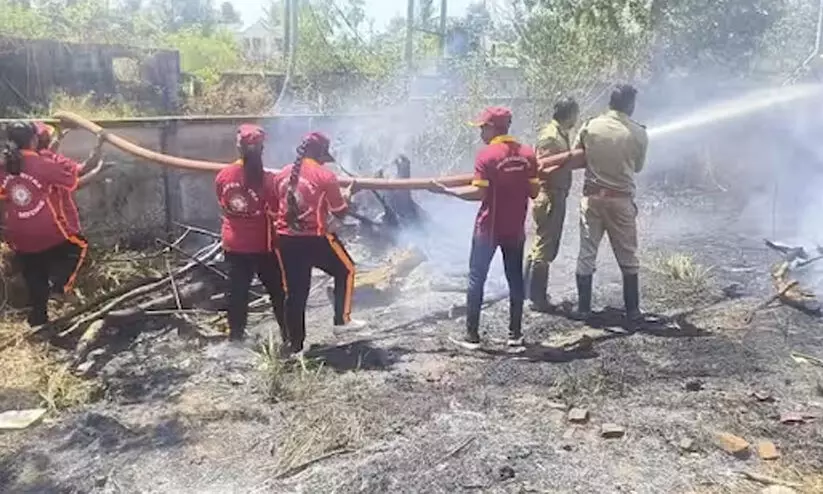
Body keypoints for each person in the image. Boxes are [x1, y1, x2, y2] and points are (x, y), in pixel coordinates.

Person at [433, 107, 539, 349]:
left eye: (483, 127)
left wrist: (447, 192)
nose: (481, 132)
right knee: (515, 279)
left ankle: (472, 336)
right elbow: (534, 191)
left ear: (493, 128)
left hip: (488, 229)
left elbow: (478, 192)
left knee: (476, 278)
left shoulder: (487, 155)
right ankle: (515, 335)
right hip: (515, 229)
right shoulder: (527, 154)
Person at [274, 132, 363, 358]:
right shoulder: (325, 176)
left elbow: (279, 207)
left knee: (295, 294)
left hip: (285, 240)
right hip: (314, 238)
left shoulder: (281, 174)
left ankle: (294, 346)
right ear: (321, 153)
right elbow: (340, 211)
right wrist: (348, 195)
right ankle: (341, 320)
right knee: (346, 270)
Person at [0, 122, 92, 327]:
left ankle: (38, 320)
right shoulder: (42, 163)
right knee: (78, 245)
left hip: (18, 235)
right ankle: (58, 287)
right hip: (46, 231)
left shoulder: (3, 165)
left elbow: (4, 195)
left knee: (34, 274)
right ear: (33, 140)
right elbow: (71, 181)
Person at [573, 84, 649, 324]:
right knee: (628, 256)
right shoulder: (638, 133)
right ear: (630, 105)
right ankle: (633, 311)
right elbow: (638, 167)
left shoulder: (590, 126)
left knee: (587, 254)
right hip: (620, 201)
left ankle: (583, 310)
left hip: (592, 199)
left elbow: (577, 156)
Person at [214, 124, 286, 343]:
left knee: (237, 292)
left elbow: (223, 203)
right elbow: (277, 211)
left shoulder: (223, 176)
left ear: (238, 148)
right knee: (278, 291)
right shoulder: (268, 180)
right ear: (262, 149)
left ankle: (236, 338)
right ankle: (289, 336)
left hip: (234, 245)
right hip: (263, 245)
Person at [525, 97, 580, 312]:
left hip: (555, 195)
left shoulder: (559, 133)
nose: (576, 119)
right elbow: (542, 169)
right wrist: (568, 160)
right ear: (570, 114)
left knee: (541, 244)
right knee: (544, 248)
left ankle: (527, 291)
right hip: (550, 196)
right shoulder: (550, 136)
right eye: (575, 114)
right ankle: (537, 298)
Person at [33, 122, 105, 278]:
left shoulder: (23, 163)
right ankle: (61, 287)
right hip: (62, 225)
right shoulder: (55, 162)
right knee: (70, 256)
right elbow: (82, 171)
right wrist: (99, 153)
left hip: (34, 228)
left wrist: (59, 138)